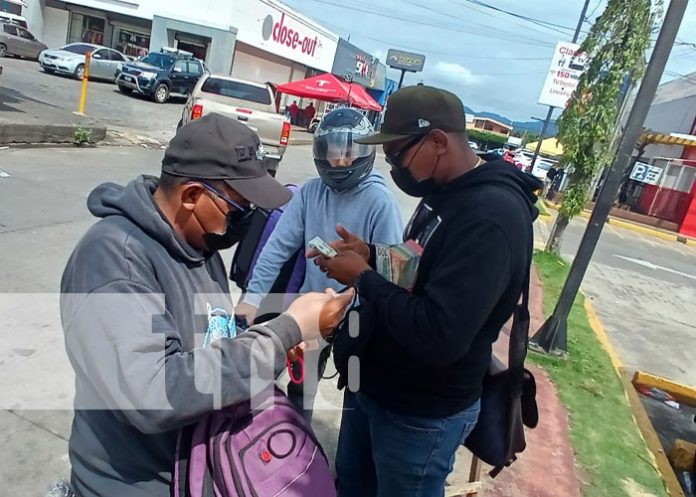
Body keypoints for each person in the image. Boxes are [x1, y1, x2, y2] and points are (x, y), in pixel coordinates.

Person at [60, 113, 354, 497]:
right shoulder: (113, 261)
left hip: (196, 471)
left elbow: (207, 344)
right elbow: (154, 392)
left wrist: (272, 341)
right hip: (135, 483)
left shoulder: (198, 244)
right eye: (238, 209)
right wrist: (286, 330)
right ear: (192, 196)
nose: (244, 221)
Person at [314, 85, 541, 497]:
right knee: (349, 487)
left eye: (398, 153)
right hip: (375, 387)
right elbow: (418, 262)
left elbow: (438, 335)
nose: (393, 165)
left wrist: (363, 277)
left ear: (437, 141)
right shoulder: (445, 190)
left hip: (419, 412)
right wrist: (372, 254)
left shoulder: (489, 217)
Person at [235, 108, 404, 421]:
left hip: (358, 313)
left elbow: (391, 272)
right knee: (290, 381)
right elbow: (278, 246)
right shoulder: (311, 192)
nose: (339, 162)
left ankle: (315, 452)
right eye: (332, 153)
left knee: (356, 394)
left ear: (364, 153)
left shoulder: (380, 202)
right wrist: (252, 299)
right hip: (312, 305)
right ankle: (271, 446)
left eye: (348, 153)